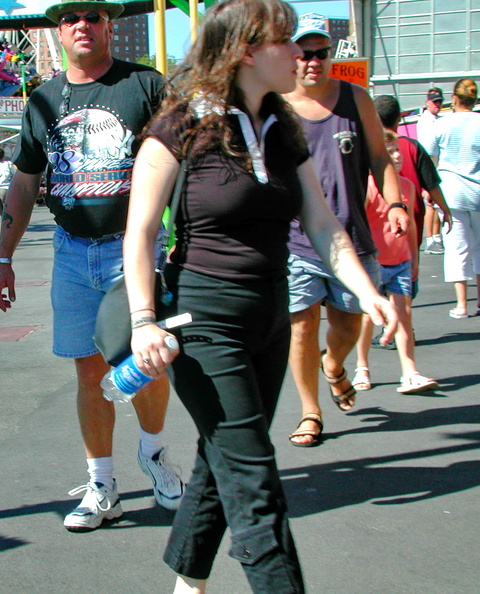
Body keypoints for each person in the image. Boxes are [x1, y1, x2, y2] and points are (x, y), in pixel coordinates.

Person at [122, 1, 397, 590]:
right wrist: (144, 320)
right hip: (203, 321)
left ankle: (185, 585)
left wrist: (366, 290)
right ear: (248, 50)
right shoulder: (181, 125)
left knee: (224, 464)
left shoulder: (282, 127)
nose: (301, 54)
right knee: (254, 482)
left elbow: (322, 225)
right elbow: (141, 231)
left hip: (270, 316)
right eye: (287, 42)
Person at [0, 0, 184, 533]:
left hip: (135, 247)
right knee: (87, 370)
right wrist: (3, 257)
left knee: (144, 359)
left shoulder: (146, 86)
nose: (83, 24)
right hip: (72, 250)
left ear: (109, 25)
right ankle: (103, 485)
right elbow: (26, 182)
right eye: (72, 16)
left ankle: (155, 454)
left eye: (94, 15)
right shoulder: (44, 99)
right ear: (59, 28)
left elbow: (183, 159)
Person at [283, 15, 407, 446]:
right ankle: (309, 411)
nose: (313, 62)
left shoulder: (356, 99)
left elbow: (380, 158)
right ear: (291, 56)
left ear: (331, 55)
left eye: (321, 53)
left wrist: (395, 204)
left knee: (348, 327)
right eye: (304, 53)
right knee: (301, 327)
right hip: (295, 240)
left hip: (352, 239)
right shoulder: (276, 104)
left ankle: (333, 365)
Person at [353, 132, 438, 394]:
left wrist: (414, 257)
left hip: (400, 260)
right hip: (373, 262)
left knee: (404, 315)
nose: (398, 156)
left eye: (398, 151)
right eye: (390, 153)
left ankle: (409, 372)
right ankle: (361, 367)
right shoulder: (368, 186)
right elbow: (360, 225)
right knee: (368, 318)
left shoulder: (408, 187)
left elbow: (409, 225)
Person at [423, 78, 480, 319]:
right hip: (478, 192)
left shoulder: (442, 124)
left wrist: (429, 189)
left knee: (457, 248)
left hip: (452, 193)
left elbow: (428, 156)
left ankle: (461, 305)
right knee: (479, 248)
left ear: (454, 99)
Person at [373, 95, 452, 260]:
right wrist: (445, 209)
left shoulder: (369, 147)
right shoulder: (412, 147)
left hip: (376, 230)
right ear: (399, 119)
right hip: (409, 225)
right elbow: (432, 184)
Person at [417, 88, 446, 254]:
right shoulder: (426, 120)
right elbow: (429, 150)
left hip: (437, 166)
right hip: (429, 165)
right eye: (435, 101)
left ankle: (436, 237)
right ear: (427, 102)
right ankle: (430, 239)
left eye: (440, 101)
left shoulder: (438, 119)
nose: (438, 105)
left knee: (435, 205)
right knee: (430, 204)